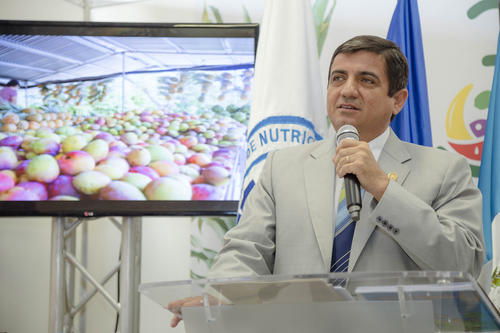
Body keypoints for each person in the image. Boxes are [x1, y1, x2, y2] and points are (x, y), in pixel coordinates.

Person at [167, 35, 485, 327]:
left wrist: (383, 189)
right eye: (338, 78)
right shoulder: (282, 166)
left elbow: (464, 265)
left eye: (367, 80)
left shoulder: (446, 170)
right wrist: (225, 292)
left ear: (398, 100)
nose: (347, 90)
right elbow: (246, 249)